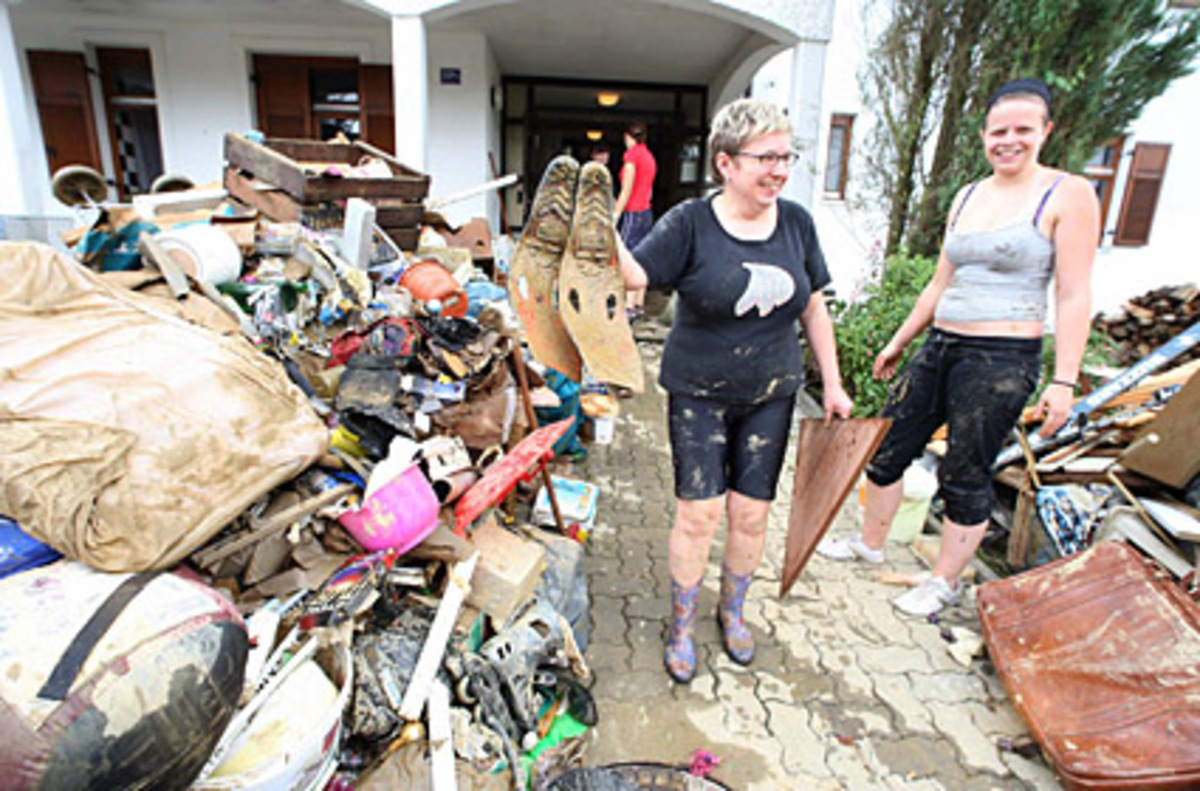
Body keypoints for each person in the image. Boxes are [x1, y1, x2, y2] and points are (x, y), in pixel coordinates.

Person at [816, 77, 1100, 617]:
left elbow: (1073, 293)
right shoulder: (970, 195)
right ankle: (870, 544)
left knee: (965, 471)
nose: (1008, 140)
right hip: (941, 343)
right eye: (999, 130)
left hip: (1000, 358)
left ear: (1046, 131)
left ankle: (943, 582)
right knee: (886, 450)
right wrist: (900, 342)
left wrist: (1064, 380)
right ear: (984, 134)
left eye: (1022, 129)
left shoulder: (1067, 194)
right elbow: (938, 283)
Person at [616, 99, 853, 682]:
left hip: (772, 390)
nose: (779, 169)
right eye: (765, 158)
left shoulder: (796, 222)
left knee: (750, 516)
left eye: (786, 157)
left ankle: (733, 610)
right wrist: (600, 229)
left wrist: (834, 385)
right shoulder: (689, 223)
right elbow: (637, 276)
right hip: (698, 390)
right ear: (725, 162)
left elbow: (813, 306)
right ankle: (680, 621)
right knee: (699, 514)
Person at [613, 121, 657, 320]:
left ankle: (628, 305)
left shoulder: (632, 156)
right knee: (642, 256)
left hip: (633, 211)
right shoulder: (648, 156)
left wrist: (616, 213)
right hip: (646, 211)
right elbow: (650, 189)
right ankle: (638, 303)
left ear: (627, 137)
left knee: (626, 256)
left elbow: (627, 188)